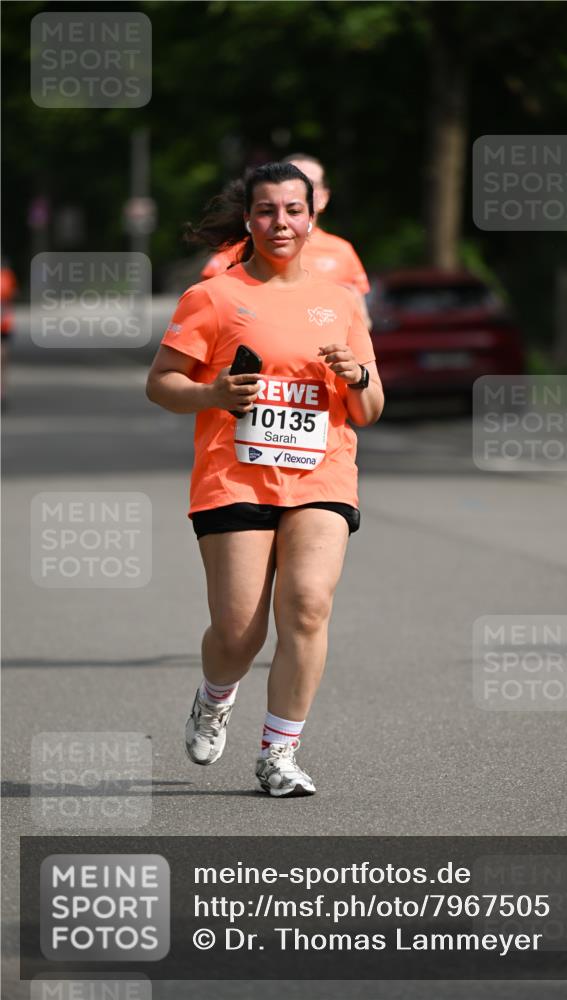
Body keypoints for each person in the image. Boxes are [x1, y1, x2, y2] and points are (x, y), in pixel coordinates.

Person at [146, 162, 384, 797]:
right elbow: (161, 384)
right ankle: (215, 696)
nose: (282, 223)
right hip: (236, 479)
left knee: (307, 604)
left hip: (321, 475)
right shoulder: (213, 297)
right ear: (248, 220)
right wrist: (214, 393)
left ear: (313, 217)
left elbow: (370, 406)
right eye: (267, 211)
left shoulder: (340, 303)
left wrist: (356, 378)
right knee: (238, 632)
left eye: (293, 211)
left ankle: (279, 754)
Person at [200, 153, 372, 326]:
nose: (281, 223)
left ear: (324, 197)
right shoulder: (240, 250)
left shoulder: (341, 251)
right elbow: (210, 309)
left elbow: (362, 323)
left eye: (311, 183)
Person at [1, 259, 18, 408]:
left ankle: (2, 392)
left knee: (3, 358)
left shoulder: (7, 275)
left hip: (4, 325)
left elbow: (13, 294)